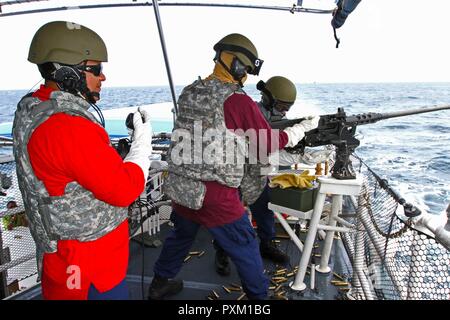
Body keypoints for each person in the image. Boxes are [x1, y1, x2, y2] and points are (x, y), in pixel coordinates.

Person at [148, 33, 319, 300]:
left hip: (182, 186)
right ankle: (259, 299)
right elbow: (265, 144)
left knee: (181, 236)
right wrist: (298, 131)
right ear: (238, 65)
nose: (246, 77)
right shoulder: (237, 100)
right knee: (245, 245)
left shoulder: (190, 92)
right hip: (215, 195)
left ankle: (159, 282)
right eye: (247, 70)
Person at [12, 21, 152, 300]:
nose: (103, 77)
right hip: (91, 270)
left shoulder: (33, 109)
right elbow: (125, 189)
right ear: (68, 73)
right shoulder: (68, 127)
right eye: (96, 69)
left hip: (62, 261)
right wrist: (142, 144)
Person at [213, 76, 298, 276]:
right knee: (228, 214)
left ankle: (266, 244)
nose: (284, 111)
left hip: (258, 173)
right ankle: (222, 251)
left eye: (288, 107)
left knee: (265, 208)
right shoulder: (249, 111)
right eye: (281, 105)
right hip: (236, 172)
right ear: (268, 98)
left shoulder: (277, 120)